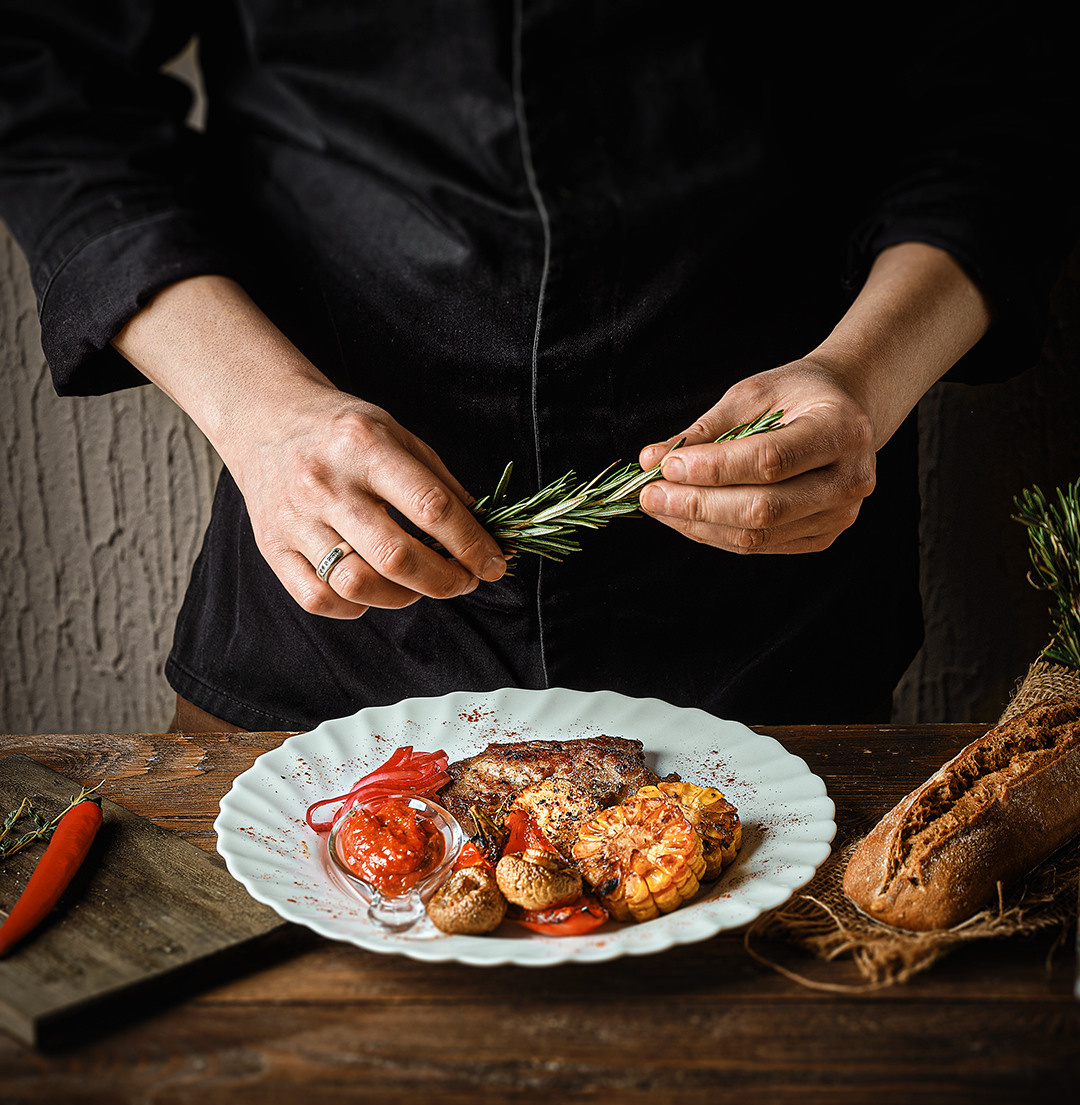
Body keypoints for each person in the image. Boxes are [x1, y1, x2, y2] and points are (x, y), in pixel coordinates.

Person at [1, 3, 1075, 731]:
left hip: (772, 633)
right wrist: (263, 414)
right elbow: (39, 74)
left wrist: (864, 378)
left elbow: (1009, 100)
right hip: (324, 635)